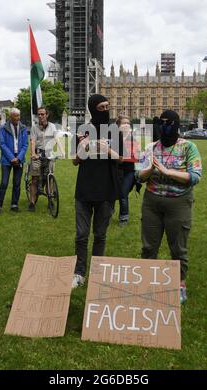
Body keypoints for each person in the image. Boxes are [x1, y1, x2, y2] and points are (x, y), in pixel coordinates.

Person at [138, 110, 202, 304]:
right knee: (149, 246)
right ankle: (147, 283)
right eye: (161, 123)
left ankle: (180, 284)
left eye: (168, 123)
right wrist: (148, 170)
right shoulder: (150, 147)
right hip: (152, 201)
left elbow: (195, 176)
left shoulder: (188, 147)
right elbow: (138, 176)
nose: (164, 127)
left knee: (178, 246)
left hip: (179, 202)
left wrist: (168, 171)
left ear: (176, 124)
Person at [71, 94, 121, 288]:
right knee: (81, 234)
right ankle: (79, 272)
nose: (105, 110)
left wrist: (107, 150)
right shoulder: (82, 130)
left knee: (100, 234)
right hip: (84, 189)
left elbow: (121, 159)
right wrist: (82, 150)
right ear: (93, 109)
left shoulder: (113, 130)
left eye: (107, 107)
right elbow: (75, 161)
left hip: (106, 189)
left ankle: (97, 271)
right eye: (101, 107)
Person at [28, 107, 64, 212]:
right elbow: (33, 141)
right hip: (38, 154)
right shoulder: (34, 128)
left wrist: (62, 152)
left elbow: (57, 139)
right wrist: (33, 153)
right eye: (38, 114)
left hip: (49, 154)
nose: (40, 116)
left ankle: (50, 201)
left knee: (50, 178)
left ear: (46, 115)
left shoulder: (52, 126)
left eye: (42, 114)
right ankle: (32, 202)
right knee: (34, 179)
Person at [0, 108, 28, 215]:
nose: (18, 118)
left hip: (19, 159)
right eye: (16, 116)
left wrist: (19, 158)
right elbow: (2, 144)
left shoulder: (23, 128)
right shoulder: (3, 128)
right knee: (4, 183)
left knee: (17, 183)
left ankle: (14, 204)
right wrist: (11, 157)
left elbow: (25, 145)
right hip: (7, 160)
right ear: (11, 117)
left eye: (19, 115)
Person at [116, 115, 141, 227]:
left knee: (123, 194)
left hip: (128, 171)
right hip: (115, 171)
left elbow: (136, 157)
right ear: (118, 126)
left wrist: (118, 156)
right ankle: (108, 212)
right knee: (111, 193)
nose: (126, 125)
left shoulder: (132, 139)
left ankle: (124, 217)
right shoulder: (114, 138)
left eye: (128, 123)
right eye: (123, 123)